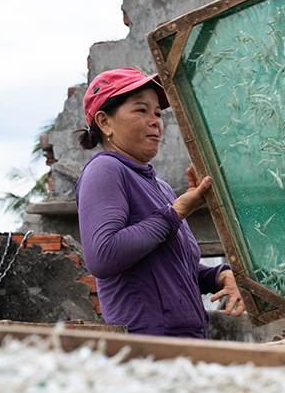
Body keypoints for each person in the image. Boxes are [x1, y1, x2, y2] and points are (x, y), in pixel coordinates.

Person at [74, 67, 244, 338]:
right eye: (141, 110)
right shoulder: (105, 169)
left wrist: (219, 276)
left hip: (185, 342)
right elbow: (103, 256)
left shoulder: (161, 187)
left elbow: (173, 271)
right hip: (147, 346)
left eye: (158, 113)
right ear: (105, 122)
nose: (155, 121)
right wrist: (176, 212)